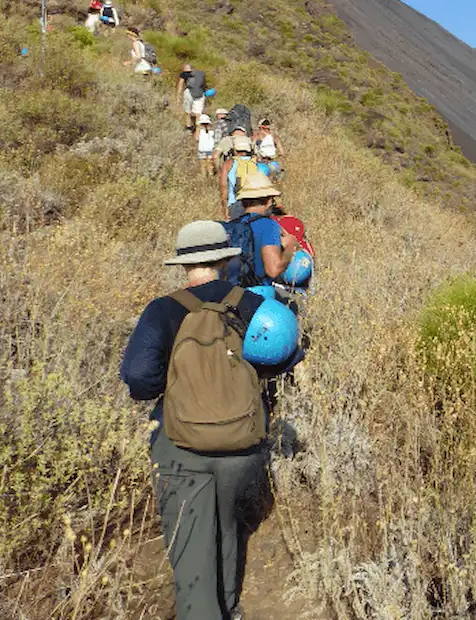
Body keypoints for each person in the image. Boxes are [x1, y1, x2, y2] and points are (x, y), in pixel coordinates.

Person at [120, 220, 301, 620]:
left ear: (183, 264)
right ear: (225, 258)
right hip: (243, 445)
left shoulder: (163, 310)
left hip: (181, 447)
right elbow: (287, 357)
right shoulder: (252, 304)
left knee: (190, 544)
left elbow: (138, 380)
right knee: (226, 525)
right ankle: (230, 606)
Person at [235, 175, 297, 284]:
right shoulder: (269, 225)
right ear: (269, 201)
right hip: (259, 293)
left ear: (244, 202)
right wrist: (290, 247)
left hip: (234, 292)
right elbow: (273, 270)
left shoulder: (234, 224)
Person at [220, 136, 256, 219]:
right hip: (255, 204)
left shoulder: (229, 163)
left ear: (235, 149)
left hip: (235, 204)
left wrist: (225, 208)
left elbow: (223, 187)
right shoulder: (255, 162)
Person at [176, 64, 207, 133]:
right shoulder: (201, 74)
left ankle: (189, 128)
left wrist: (178, 97)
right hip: (200, 94)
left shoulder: (184, 74)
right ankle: (198, 130)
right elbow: (204, 86)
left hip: (189, 93)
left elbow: (180, 85)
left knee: (188, 112)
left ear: (184, 68)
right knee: (198, 114)